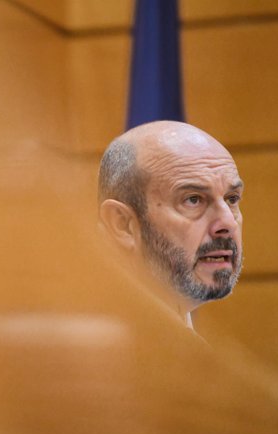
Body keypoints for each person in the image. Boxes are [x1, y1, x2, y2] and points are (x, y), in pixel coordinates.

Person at [97, 120, 243, 328]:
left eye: (232, 199)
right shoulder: (91, 350)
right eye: (193, 200)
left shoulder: (181, 343)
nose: (228, 223)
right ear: (123, 224)